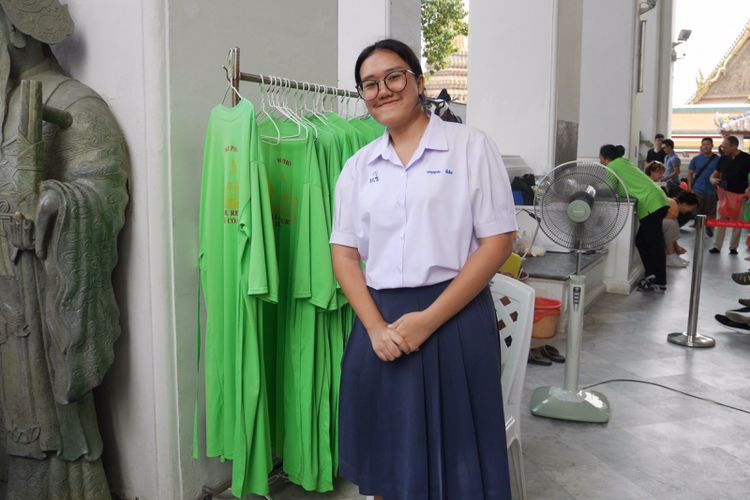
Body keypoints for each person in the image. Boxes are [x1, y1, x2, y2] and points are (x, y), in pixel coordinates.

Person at [330, 39, 516, 499]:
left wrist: (428, 320)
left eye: (394, 77)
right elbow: (344, 253)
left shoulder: (470, 147)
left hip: (455, 317)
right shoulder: (358, 167)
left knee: (460, 461)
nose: (383, 91)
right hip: (381, 324)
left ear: (418, 81)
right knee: (387, 455)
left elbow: (497, 242)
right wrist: (375, 329)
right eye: (369, 84)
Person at [0, 2, 128, 498]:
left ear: (15, 33)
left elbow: (104, 190)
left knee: (40, 423)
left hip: (38, 297)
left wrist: (55, 202)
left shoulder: (75, 102)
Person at [600, 144, 670, 292]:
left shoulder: (612, 166)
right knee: (642, 241)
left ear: (605, 158)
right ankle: (651, 275)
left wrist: (593, 191)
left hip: (651, 203)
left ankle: (660, 281)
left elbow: (609, 189)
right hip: (655, 200)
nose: (600, 161)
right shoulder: (623, 162)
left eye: (600, 158)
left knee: (655, 245)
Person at [709, 135, 750, 255]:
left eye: (725, 147)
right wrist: (712, 179)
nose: (723, 149)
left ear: (734, 146)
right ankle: (717, 246)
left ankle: (733, 247)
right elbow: (715, 173)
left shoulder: (746, 158)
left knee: (737, 221)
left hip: (740, 195)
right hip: (723, 195)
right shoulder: (723, 159)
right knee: (720, 220)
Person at [687, 137, 719, 237]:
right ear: (701, 146)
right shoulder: (696, 159)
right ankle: (699, 229)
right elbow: (690, 174)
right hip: (698, 189)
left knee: (711, 211)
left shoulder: (717, 159)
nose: (706, 146)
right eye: (704, 144)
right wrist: (689, 188)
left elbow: (721, 173)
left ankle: (709, 228)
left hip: (711, 190)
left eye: (708, 144)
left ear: (712, 146)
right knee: (697, 210)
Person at [664, 191, 699, 268]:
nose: (690, 211)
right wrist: (676, 248)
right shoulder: (673, 207)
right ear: (684, 204)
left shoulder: (673, 203)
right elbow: (669, 230)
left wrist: (677, 247)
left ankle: (672, 255)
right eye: (691, 208)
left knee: (673, 224)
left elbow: (670, 234)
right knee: (671, 224)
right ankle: (671, 256)